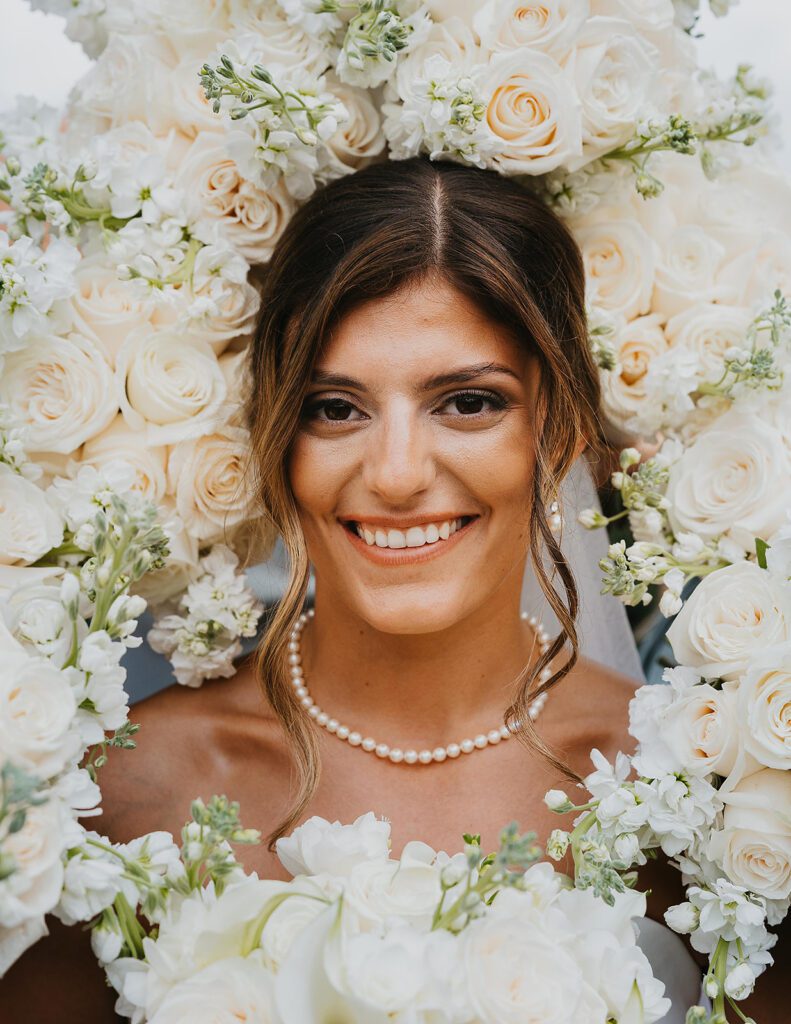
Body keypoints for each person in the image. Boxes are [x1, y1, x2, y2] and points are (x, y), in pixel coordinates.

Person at [8, 155, 776, 1021]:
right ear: (276, 437)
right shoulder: (119, 792)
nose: (399, 475)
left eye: (467, 403)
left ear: (557, 428)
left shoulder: (696, 808)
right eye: (335, 407)